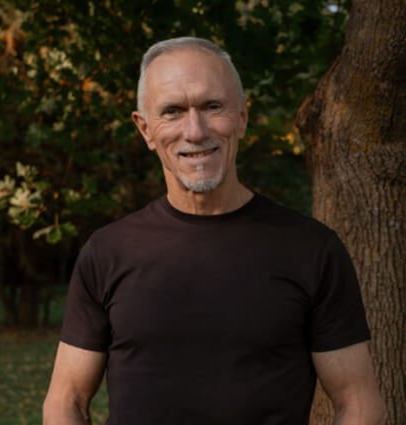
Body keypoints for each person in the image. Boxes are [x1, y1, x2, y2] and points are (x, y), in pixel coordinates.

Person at [43, 37, 386, 425]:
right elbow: (66, 401)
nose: (195, 131)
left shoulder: (312, 250)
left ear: (241, 117)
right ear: (145, 129)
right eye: (172, 111)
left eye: (212, 107)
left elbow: (359, 403)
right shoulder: (107, 252)